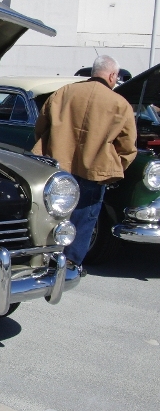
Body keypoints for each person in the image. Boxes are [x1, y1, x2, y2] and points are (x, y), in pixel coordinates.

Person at [31, 55, 137, 273]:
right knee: (85, 217)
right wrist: (114, 166)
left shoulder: (63, 93)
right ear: (112, 75)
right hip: (94, 170)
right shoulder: (120, 104)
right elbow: (127, 147)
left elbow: (40, 128)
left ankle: (45, 256)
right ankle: (71, 263)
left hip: (58, 166)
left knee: (53, 213)